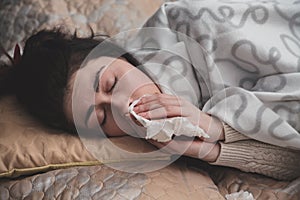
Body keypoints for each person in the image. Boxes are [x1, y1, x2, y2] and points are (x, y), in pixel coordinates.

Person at [1, 0, 300, 180]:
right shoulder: (163, 140)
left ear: (119, 54)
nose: (121, 105)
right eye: (102, 118)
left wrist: (221, 126)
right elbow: (291, 163)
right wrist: (212, 143)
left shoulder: (190, 23)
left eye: (111, 83)